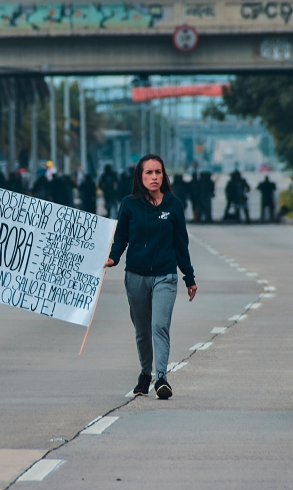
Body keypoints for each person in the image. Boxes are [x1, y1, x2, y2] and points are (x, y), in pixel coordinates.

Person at [105, 154, 197, 400]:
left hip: (165, 277)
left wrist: (189, 277)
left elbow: (181, 244)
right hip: (135, 277)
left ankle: (161, 378)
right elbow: (121, 237)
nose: (154, 177)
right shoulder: (129, 204)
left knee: (159, 326)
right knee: (142, 330)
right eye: (149, 173)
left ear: (164, 176)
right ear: (140, 176)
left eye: (158, 172)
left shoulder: (174, 205)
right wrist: (113, 258)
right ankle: (145, 373)